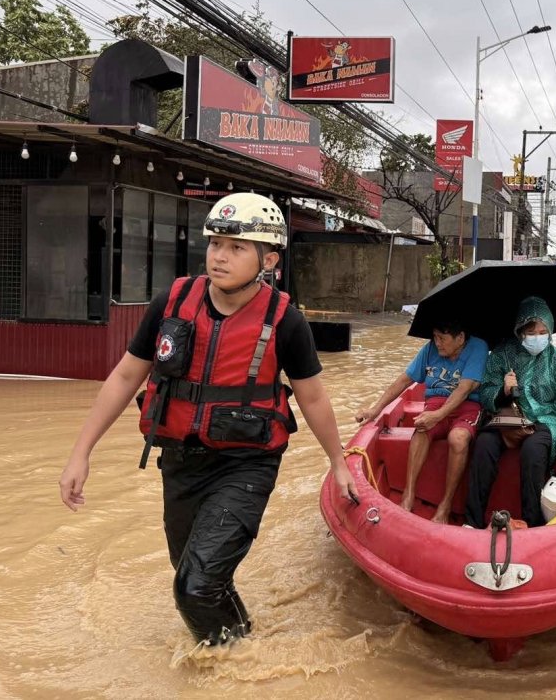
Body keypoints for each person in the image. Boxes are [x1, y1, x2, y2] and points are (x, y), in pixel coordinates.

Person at [58, 193, 357, 647]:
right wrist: (80, 454)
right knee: (198, 579)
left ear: (268, 259)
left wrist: (338, 463)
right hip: (181, 461)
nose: (220, 255)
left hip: (246, 465)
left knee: (193, 588)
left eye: (237, 248)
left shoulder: (286, 322)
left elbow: (313, 398)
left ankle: (224, 673)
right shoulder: (172, 303)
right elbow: (124, 377)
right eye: (216, 243)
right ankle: (244, 648)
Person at [465, 296, 556, 528]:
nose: (537, 337)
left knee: (533, 451)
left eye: (543, 331)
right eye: (531, 332)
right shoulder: (502, 354)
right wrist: (503, 390)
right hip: (507, 417)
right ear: (520, 331)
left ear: (550, 331)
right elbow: (485, 392)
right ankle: (472, 520)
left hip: (544, 421)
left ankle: (532, 520)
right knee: (484, 445)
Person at [354, 319, 487, 524]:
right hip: (435, 402)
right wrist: (375, 409)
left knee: (458, 439)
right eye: (435, 337)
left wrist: (438, 415)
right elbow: (405, 380)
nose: (437, 343)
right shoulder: (430, 349)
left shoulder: (478, 347)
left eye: (442, 338)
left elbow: (465, 388)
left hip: (467, 406)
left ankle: (445, 505)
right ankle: (408, 496)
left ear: (460, 338)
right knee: (422, 429)